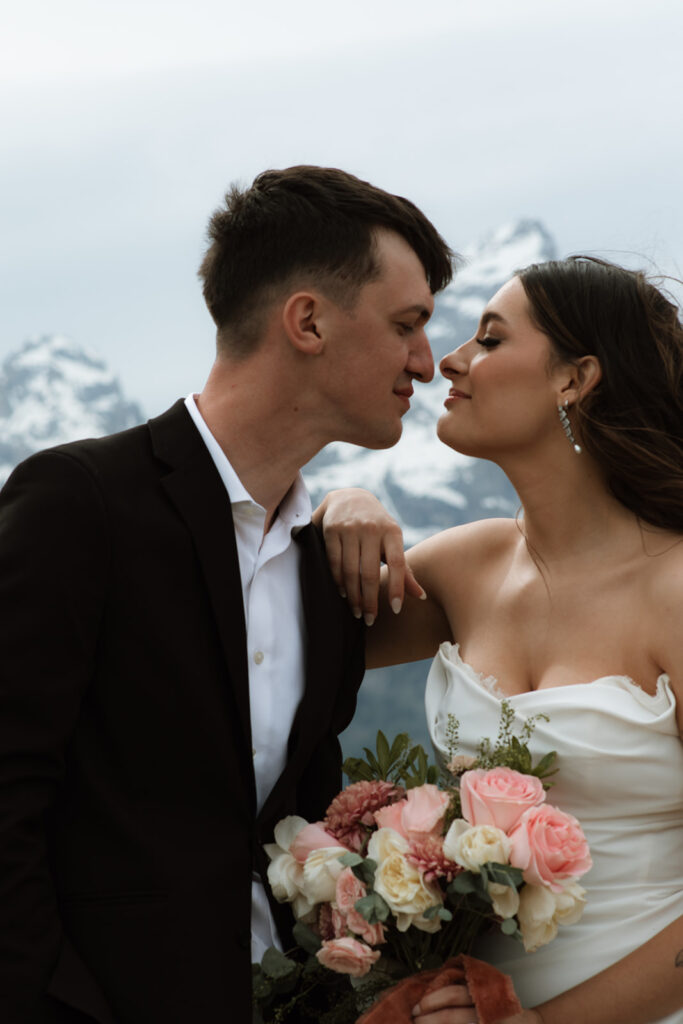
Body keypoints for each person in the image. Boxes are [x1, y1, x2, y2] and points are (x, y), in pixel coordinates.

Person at [0, 165, 454, 1023]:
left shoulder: (330, 568)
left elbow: (298, 827)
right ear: (308, 321)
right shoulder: (79, 501)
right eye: (407, 326)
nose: (425, 364)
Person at [317, 256, 683, 1023]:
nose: (448, 360)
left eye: (487, 340)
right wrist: (339, 504)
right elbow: (274, 637)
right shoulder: (467, 565)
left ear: (573, 379)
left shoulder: (675, 589)